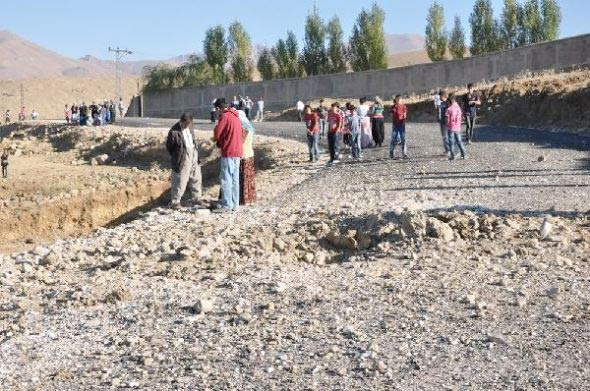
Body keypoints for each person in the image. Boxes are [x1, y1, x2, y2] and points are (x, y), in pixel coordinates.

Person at [165, 113, 204, 209]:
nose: (187, 126)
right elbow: (169, 147)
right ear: (181, 121)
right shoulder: (174, 131)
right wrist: (178, 156)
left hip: (194, 153)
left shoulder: (190, 126)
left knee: (196, 177)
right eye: (185, 124)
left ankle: (197, 198)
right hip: (183, 157)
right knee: (180, 180)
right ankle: (175, 202)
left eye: (189, 124)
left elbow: (193, 140)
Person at [213, 98, 243, 213]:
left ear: (218, 108)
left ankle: (227, 205)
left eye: (217, 110)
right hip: (238, 151)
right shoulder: (236, 116)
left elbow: (217, 133)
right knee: (235, 179)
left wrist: (218, 140)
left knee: (226, 179)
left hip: (229, 151)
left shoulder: (225, 116)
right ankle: (235, 205)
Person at [238, 110, 256, 205]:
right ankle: (250, 198)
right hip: (250, 154)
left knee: (244, 178)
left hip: (243, 156)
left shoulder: (243, 129)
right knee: (250, 178)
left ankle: (244, 199)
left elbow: (240, 142)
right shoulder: (250, 127)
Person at [447, 93, 466, 160]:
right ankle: (464, 154)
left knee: (451, 143)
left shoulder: (449, 109)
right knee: (459, 141)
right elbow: (461, 116)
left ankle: (452, 156)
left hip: (451, 128)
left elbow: (447, 119)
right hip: (458, 127)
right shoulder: (458, 107)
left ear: (449, 102)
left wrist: (447, 124)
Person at [390, 95, 408, 159]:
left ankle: (404, 153)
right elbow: (391, 116)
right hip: (395, 125)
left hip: (401, 125)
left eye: (399, 99)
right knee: (393, 139)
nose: (398, 101)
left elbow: (405, 115)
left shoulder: (403, 106)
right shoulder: (393, 107)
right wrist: (393, 125)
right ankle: (391, 152)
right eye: (397, 99)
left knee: (403, 139)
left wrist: (403, 122)